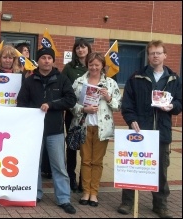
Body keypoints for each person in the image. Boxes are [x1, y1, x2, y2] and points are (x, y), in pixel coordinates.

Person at [118, 40, 182, 218]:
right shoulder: (136, 77)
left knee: (160, 170)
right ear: (148, 56)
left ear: (165, 55)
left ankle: (160, 205)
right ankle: (127, 202)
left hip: (162, 132)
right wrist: (131, 120)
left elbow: (179, 102)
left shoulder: (174, 79)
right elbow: (127, 104)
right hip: (140, 131)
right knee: (133, 167)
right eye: (152, 53)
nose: (155, 56)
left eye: (158, 52)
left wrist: (172, 106)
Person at [17, 47, 77, 214]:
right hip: (34, 131)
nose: (46, 61)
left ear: (52, 60)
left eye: (49, 58)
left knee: (59, 166)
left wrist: (52, 105)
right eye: (43, 58)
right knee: (33, 165)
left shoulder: (62, 79)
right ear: (39, 60)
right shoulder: (29, 80)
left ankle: (64, 198)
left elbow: (71, 100)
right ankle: (34, 194)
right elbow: (21, 103)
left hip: (55, 130)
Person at [70, 52, 121, 207]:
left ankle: (94, 193)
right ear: (87, 65)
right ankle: (85, 192)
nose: (94, 67)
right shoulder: (79, 82)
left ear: (102, 66)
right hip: (84, 126)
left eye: (97, 64)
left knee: (97, 162)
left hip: (102, 128)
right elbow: (71, 103)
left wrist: (108, 98)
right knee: (85, 161)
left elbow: (118, 106)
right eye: (91, 64)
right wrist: (83, 109)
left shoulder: (110, 83)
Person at [61, 38, 92, 192]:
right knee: (72, 147)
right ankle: (70, 178)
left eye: (84, 47)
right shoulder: (69, 68)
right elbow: (63, 88)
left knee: (87, 147)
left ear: (88, 49)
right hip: (73, 113)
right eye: (78, 48)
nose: (81, 50)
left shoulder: (93, 66)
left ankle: (84, 181)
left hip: (91, 115)